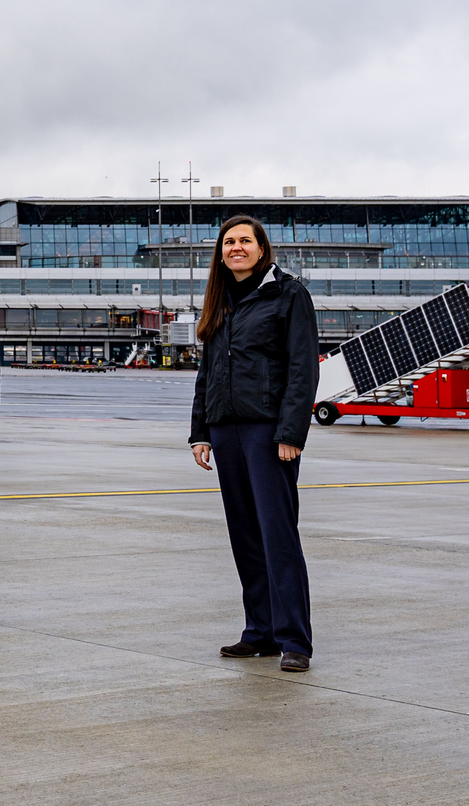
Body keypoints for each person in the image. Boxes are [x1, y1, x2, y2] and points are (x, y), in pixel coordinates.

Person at [190, 215, 318, 672]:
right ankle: (259, 632)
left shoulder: (288, 295)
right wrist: (200, 430)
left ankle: (294, 640)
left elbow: (303, 369)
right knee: (245, 536)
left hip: (268, 433)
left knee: (278, 536)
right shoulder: (220, 300)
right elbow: (207, 373)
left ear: (262, 249)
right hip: (226, 431)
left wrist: (290, 434)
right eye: (229, 241)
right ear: (221, 251)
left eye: (246, 240)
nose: (236, 248)